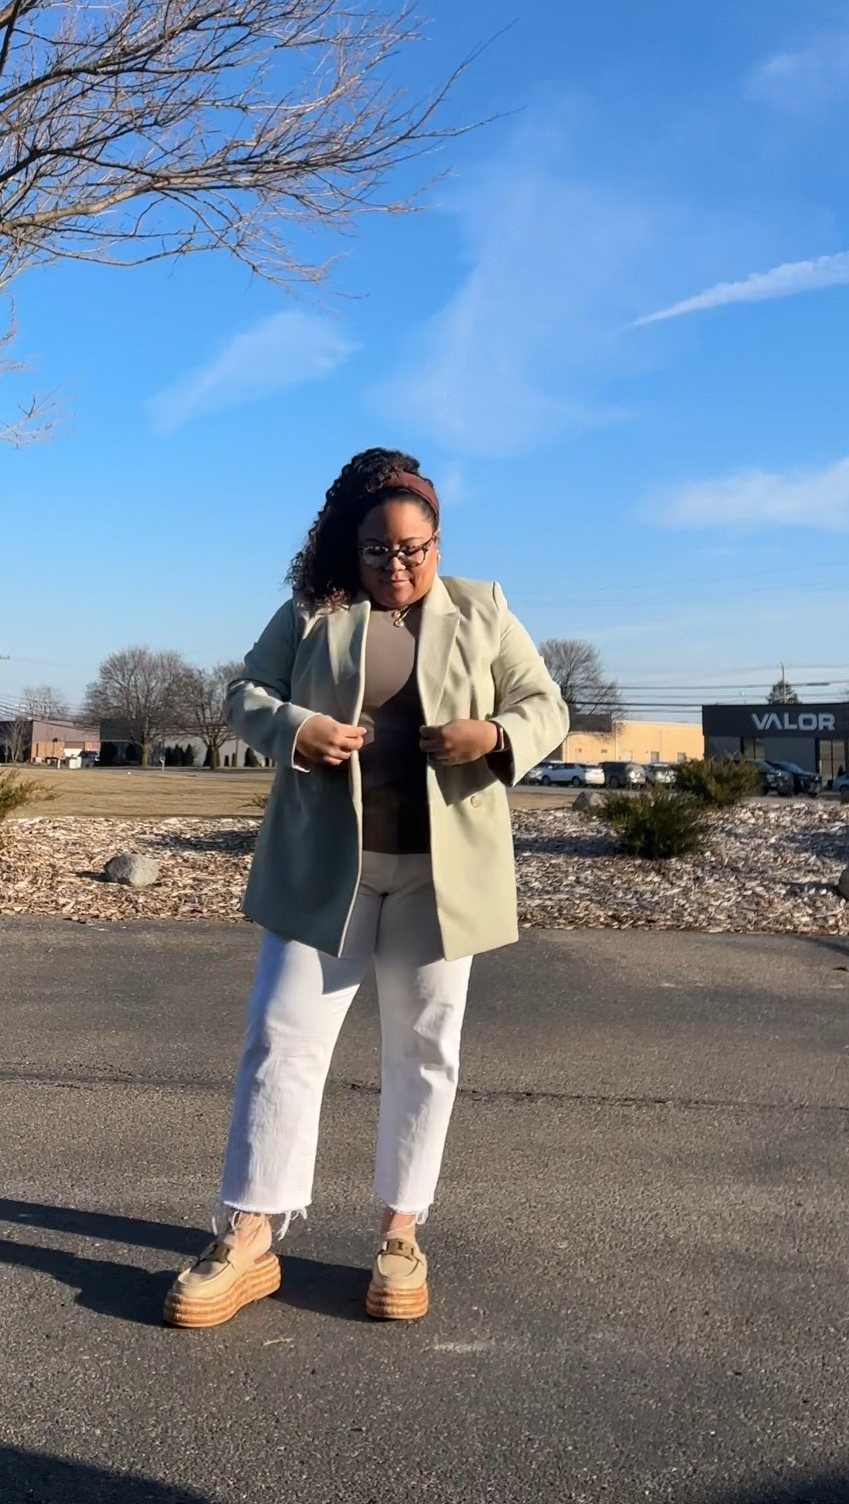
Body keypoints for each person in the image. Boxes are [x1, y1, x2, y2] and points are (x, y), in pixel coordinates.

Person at [163, 448, 569, 1329]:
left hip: (440, 878)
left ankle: (399, 1233)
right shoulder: (314, 611)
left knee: (424, 1052)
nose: (399, 568)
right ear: (353, 545)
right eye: (381, 551)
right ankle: (248, 1237)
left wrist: (492, 736)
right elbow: (241, 694)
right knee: (281, 1042)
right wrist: (297, 727)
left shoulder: (483, 609)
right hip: (325, 875)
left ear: (437, 542)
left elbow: (548, 704)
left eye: (415, 550)